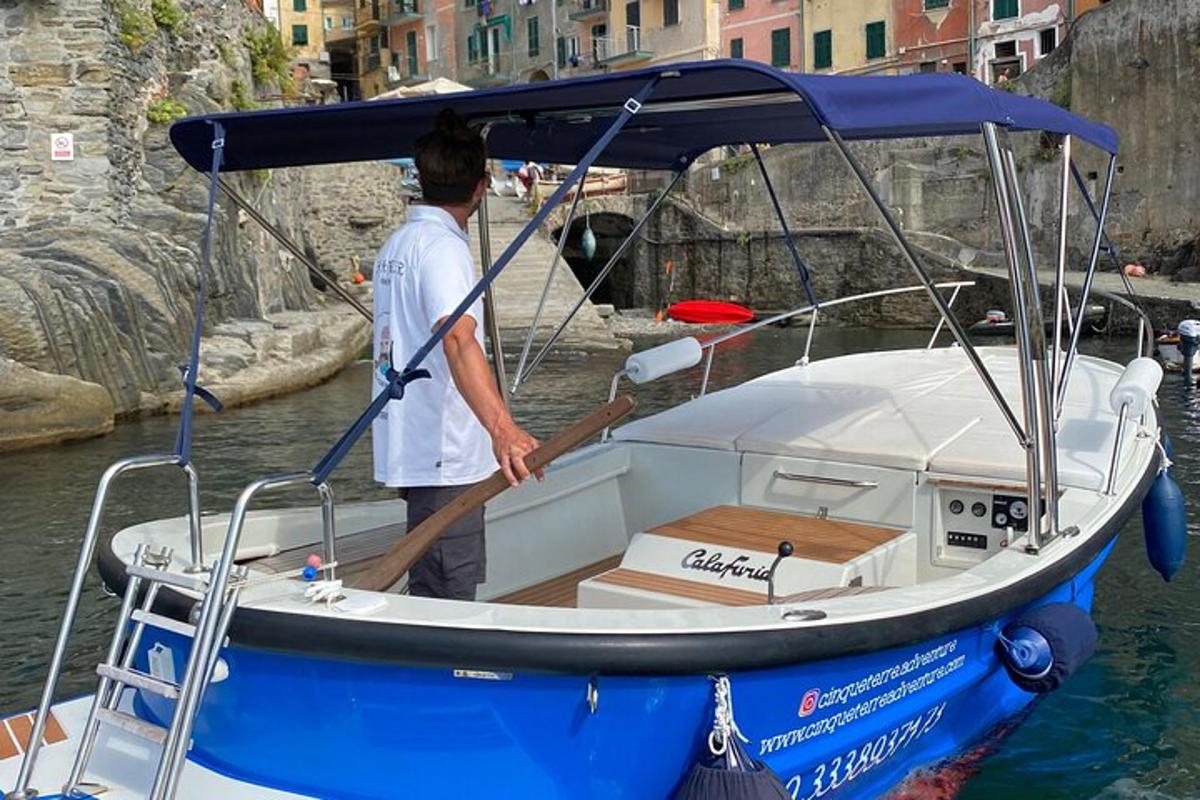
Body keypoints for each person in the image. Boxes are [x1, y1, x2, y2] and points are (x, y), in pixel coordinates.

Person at [371, 109, 541, 601]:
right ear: (481, 186)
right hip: (444, 452)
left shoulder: (398, 243)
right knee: (447, 590)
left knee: (431, 577)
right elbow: (458, 338)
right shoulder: (443, 249)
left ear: (421, 180)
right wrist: (503, 430)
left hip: (412, 442)